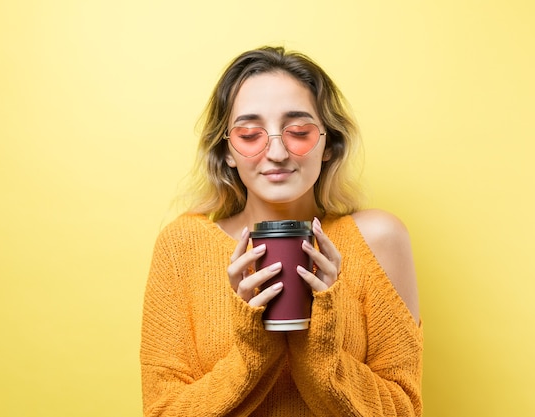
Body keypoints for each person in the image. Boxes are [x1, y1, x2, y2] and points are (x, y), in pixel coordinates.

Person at [140, 46, 423, 416]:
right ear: (227, 151)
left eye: (299, 131)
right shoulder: (182, 246)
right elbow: (163, 412)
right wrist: (253, 349)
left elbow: (404, 411)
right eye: (249, 134)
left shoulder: (379, 239)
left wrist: (319, 343)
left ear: (327, 144)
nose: (276, 153)